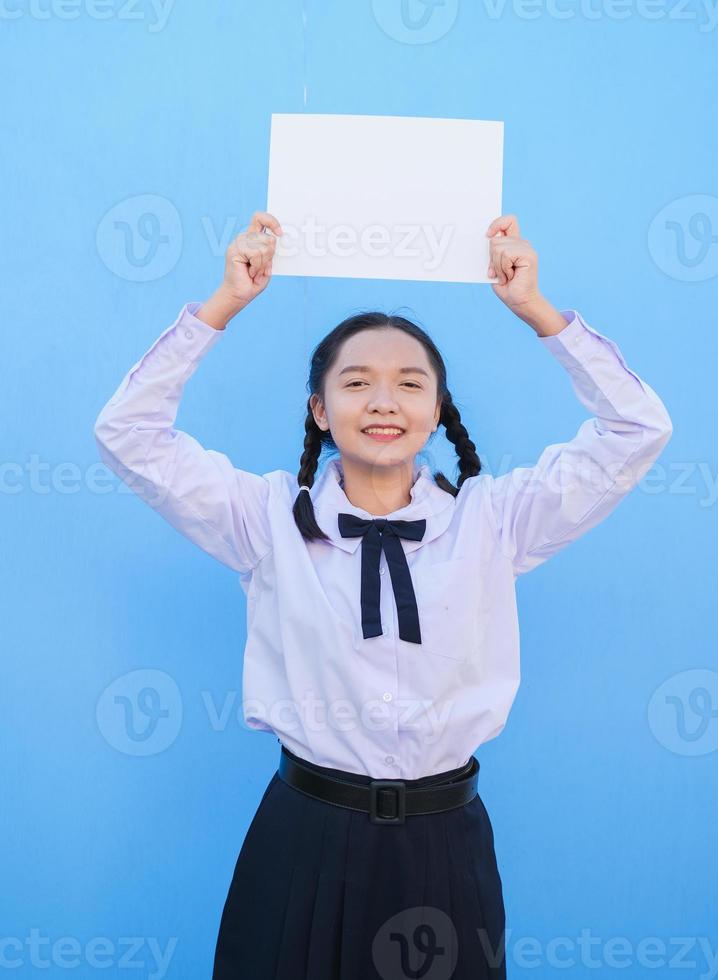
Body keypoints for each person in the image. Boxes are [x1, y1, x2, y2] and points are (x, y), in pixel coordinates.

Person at [93, 210, 673, 979]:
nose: (383, 401)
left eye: (410, 384)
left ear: (436, 410)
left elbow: (636, 429)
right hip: (304, 836)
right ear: (320, 410)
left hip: (445, 843)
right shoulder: (265, 520)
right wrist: (222, 305)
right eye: (356, 382)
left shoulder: (494, 522)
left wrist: (536, 310)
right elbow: (129, 432)